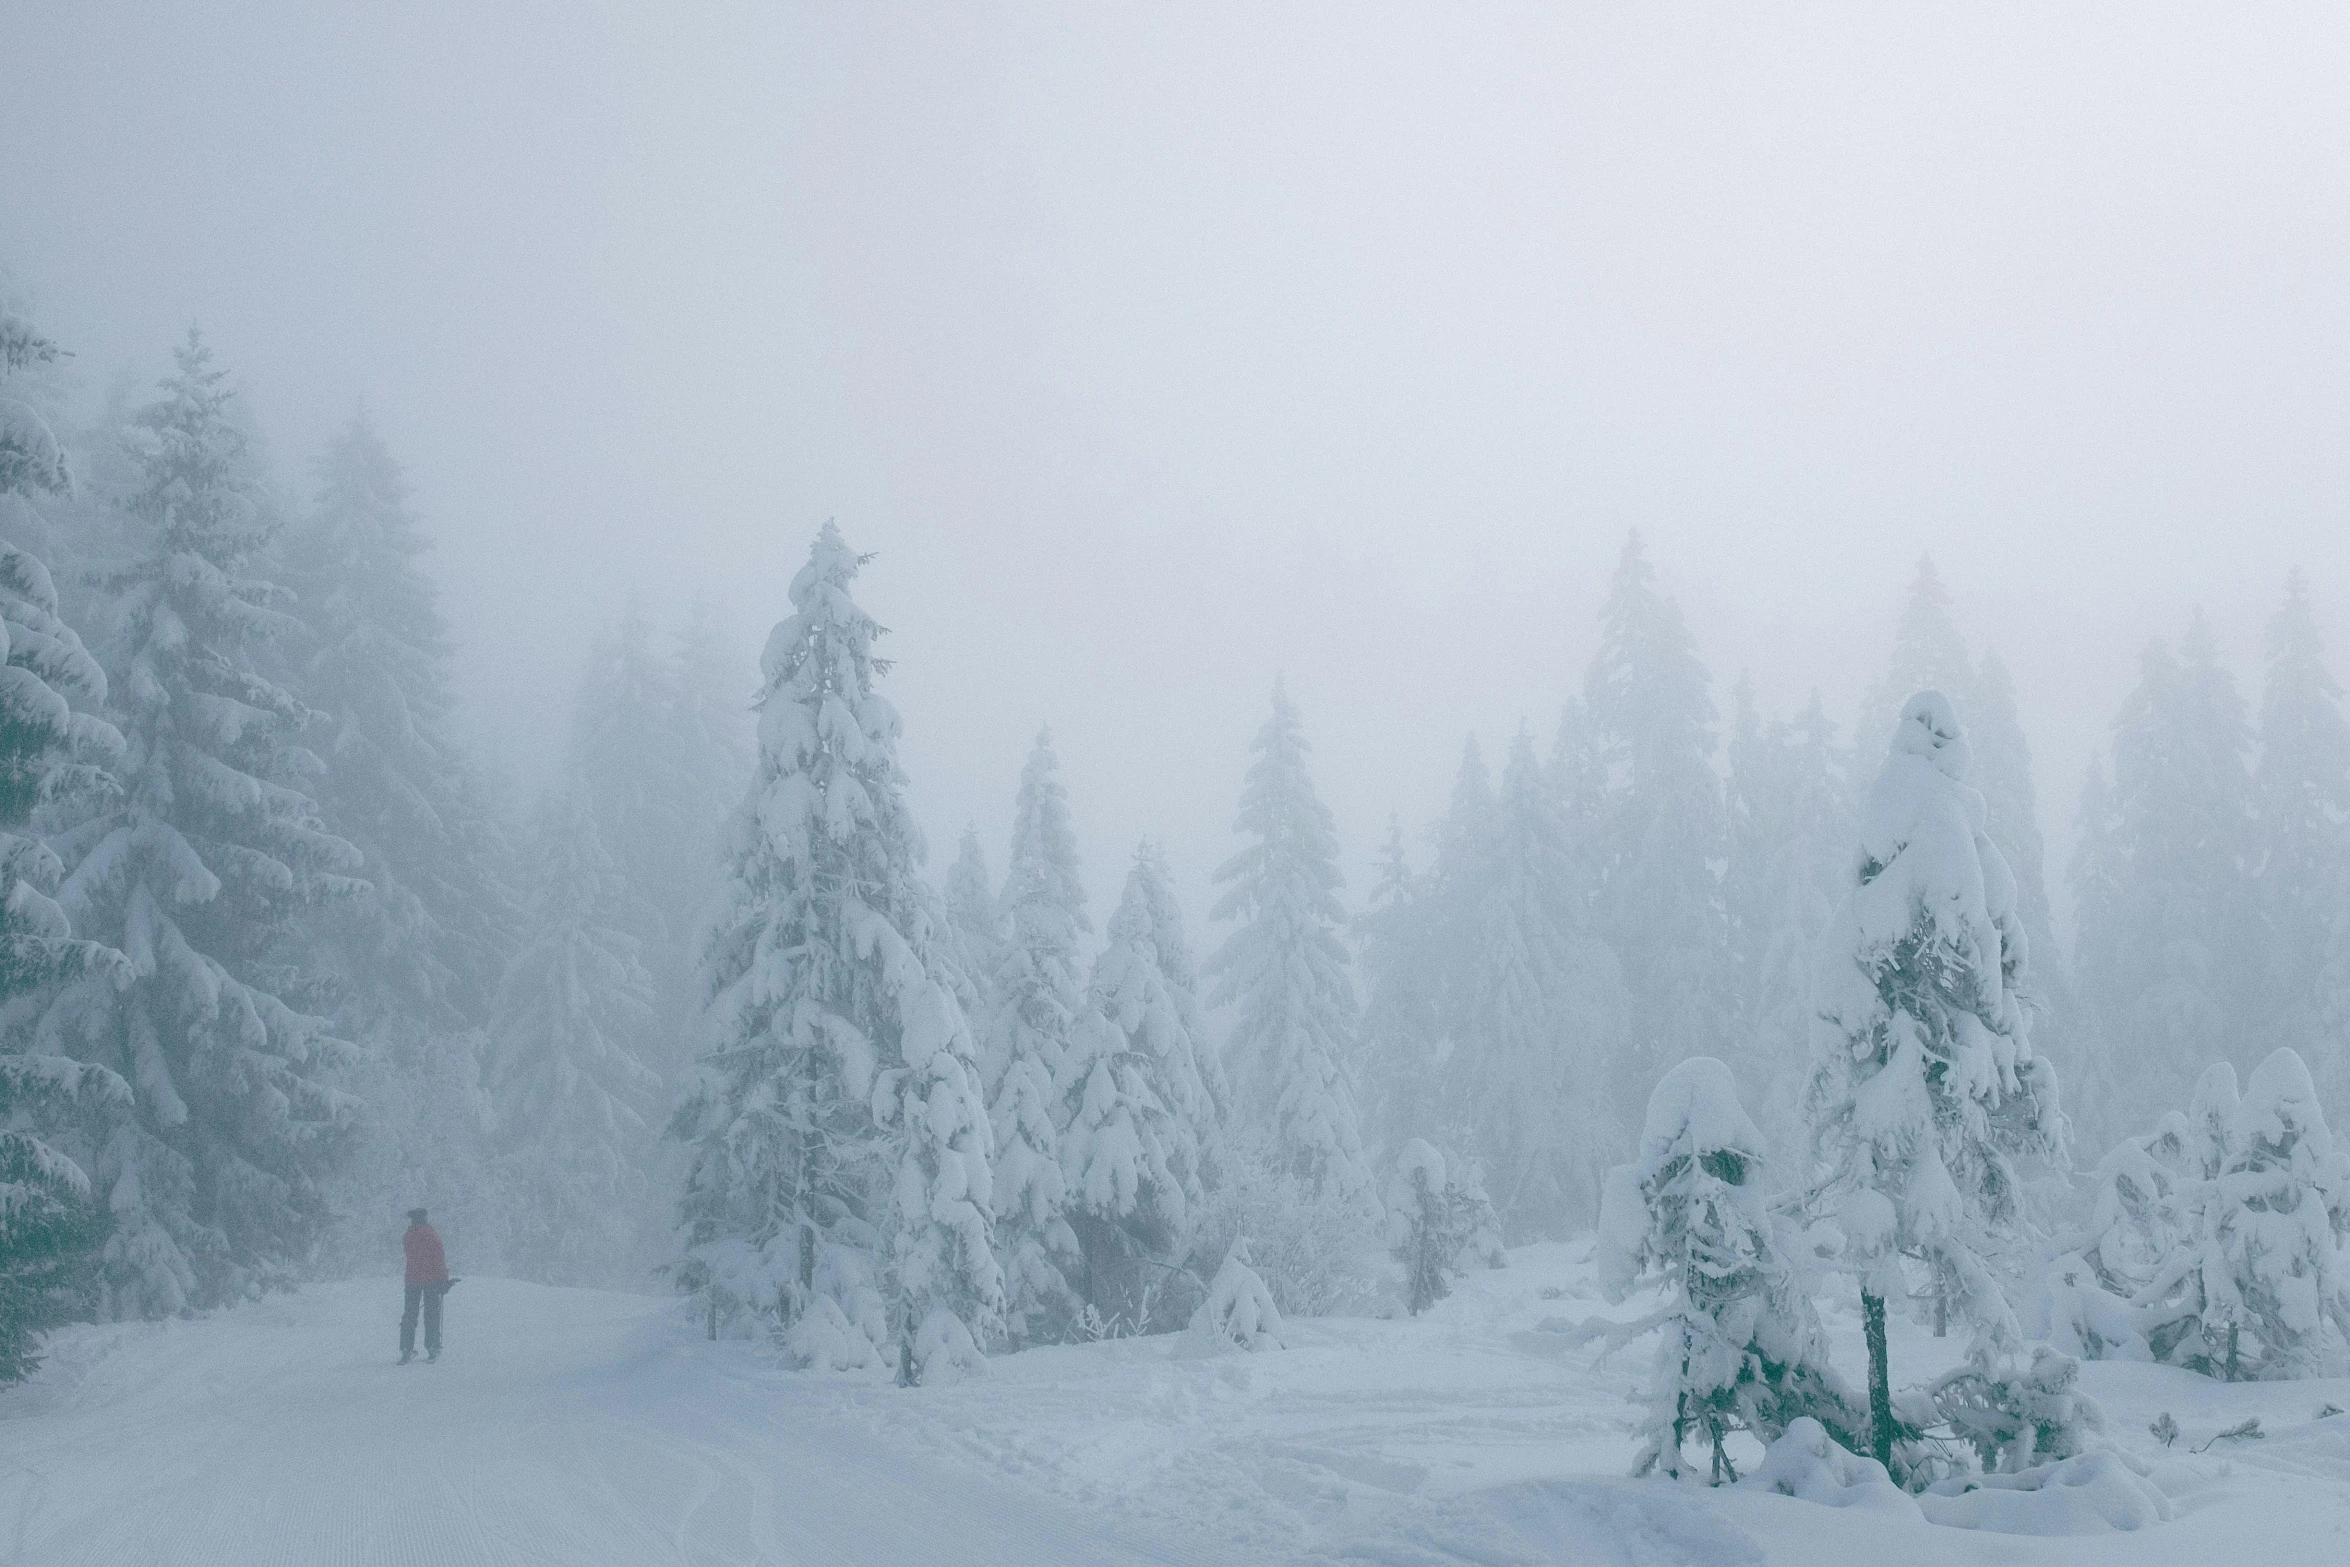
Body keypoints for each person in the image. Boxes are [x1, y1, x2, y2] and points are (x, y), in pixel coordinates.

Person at [400, 1208, 453, 1363]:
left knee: (409, 1315)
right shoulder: (432, 1236)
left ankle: (406, 1349)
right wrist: (444, 1280)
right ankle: (432, 1347)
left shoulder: (407, 1237)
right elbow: (439, 1260)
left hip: (412, 1280)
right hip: (431, 1281)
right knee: (431, 1315)